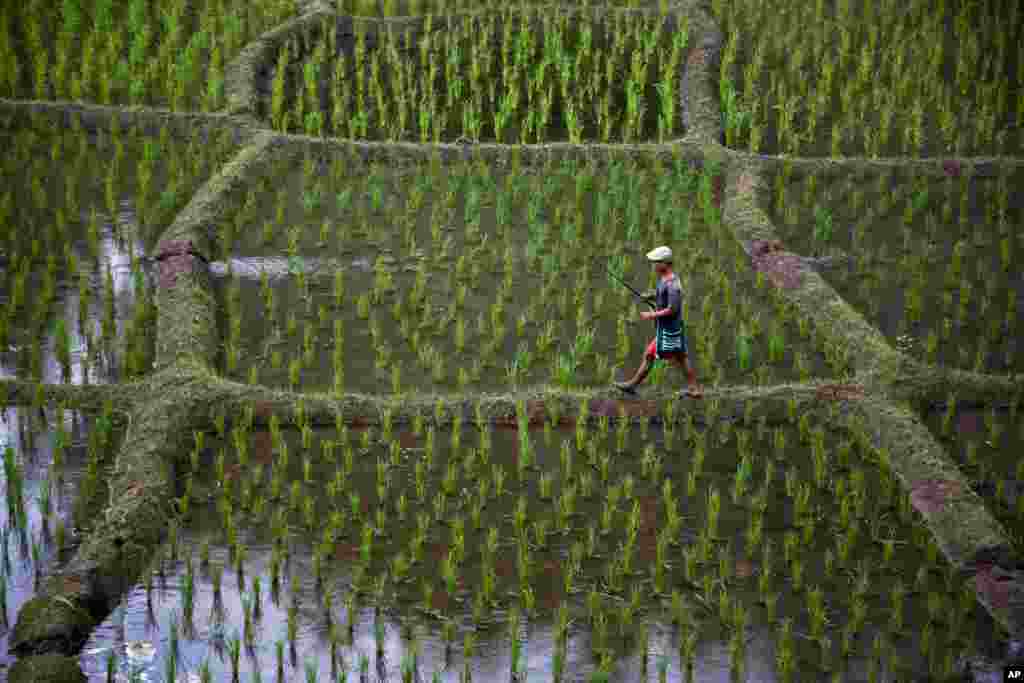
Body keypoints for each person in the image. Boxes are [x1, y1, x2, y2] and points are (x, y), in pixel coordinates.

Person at [614, 246, 704, 398]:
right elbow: (663, 297)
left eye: (656, 262)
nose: (654, 265)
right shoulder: (665, 280)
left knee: (672, 357)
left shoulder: (673, 285)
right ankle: (693, 388)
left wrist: (651, 315)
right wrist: (651, 296)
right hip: (669, 328)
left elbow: (672, 309)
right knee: (673, 357)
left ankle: (632, 385)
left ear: (665, 263)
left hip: (670, 329)